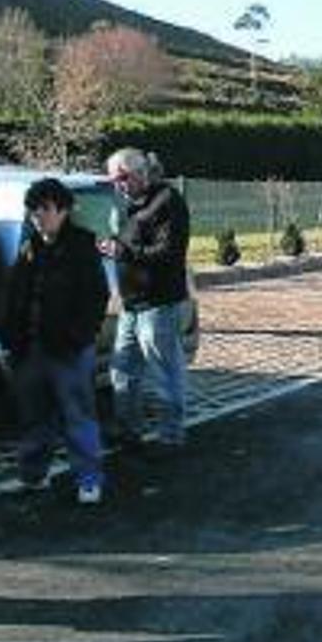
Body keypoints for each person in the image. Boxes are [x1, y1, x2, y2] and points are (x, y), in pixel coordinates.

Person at [4, 177, 110, 504]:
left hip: (69, 349)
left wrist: (79, 337)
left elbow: (97, 297)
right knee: (35, 417)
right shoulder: (29, 248)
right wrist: (13, 339)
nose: (39, 215)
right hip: (32, 347)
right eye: (34, 209)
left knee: (77, 415)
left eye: (46, 209)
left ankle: (89, 479)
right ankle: (34, 475)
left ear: (63, 211)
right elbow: (15, 296)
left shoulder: (81, 247)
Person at [99, 147, 192, 450]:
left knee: (165, 372)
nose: (118, 185)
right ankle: (127, 430)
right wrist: (113, 245)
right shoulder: (131, 204)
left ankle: (170, 436)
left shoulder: (167, 201)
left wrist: (123, 251)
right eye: (114, 179)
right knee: (122, 370)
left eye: (122, 178)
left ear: (140, 172)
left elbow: (169, 252)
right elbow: (131, 241)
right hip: (131, 303)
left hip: (159, 303)